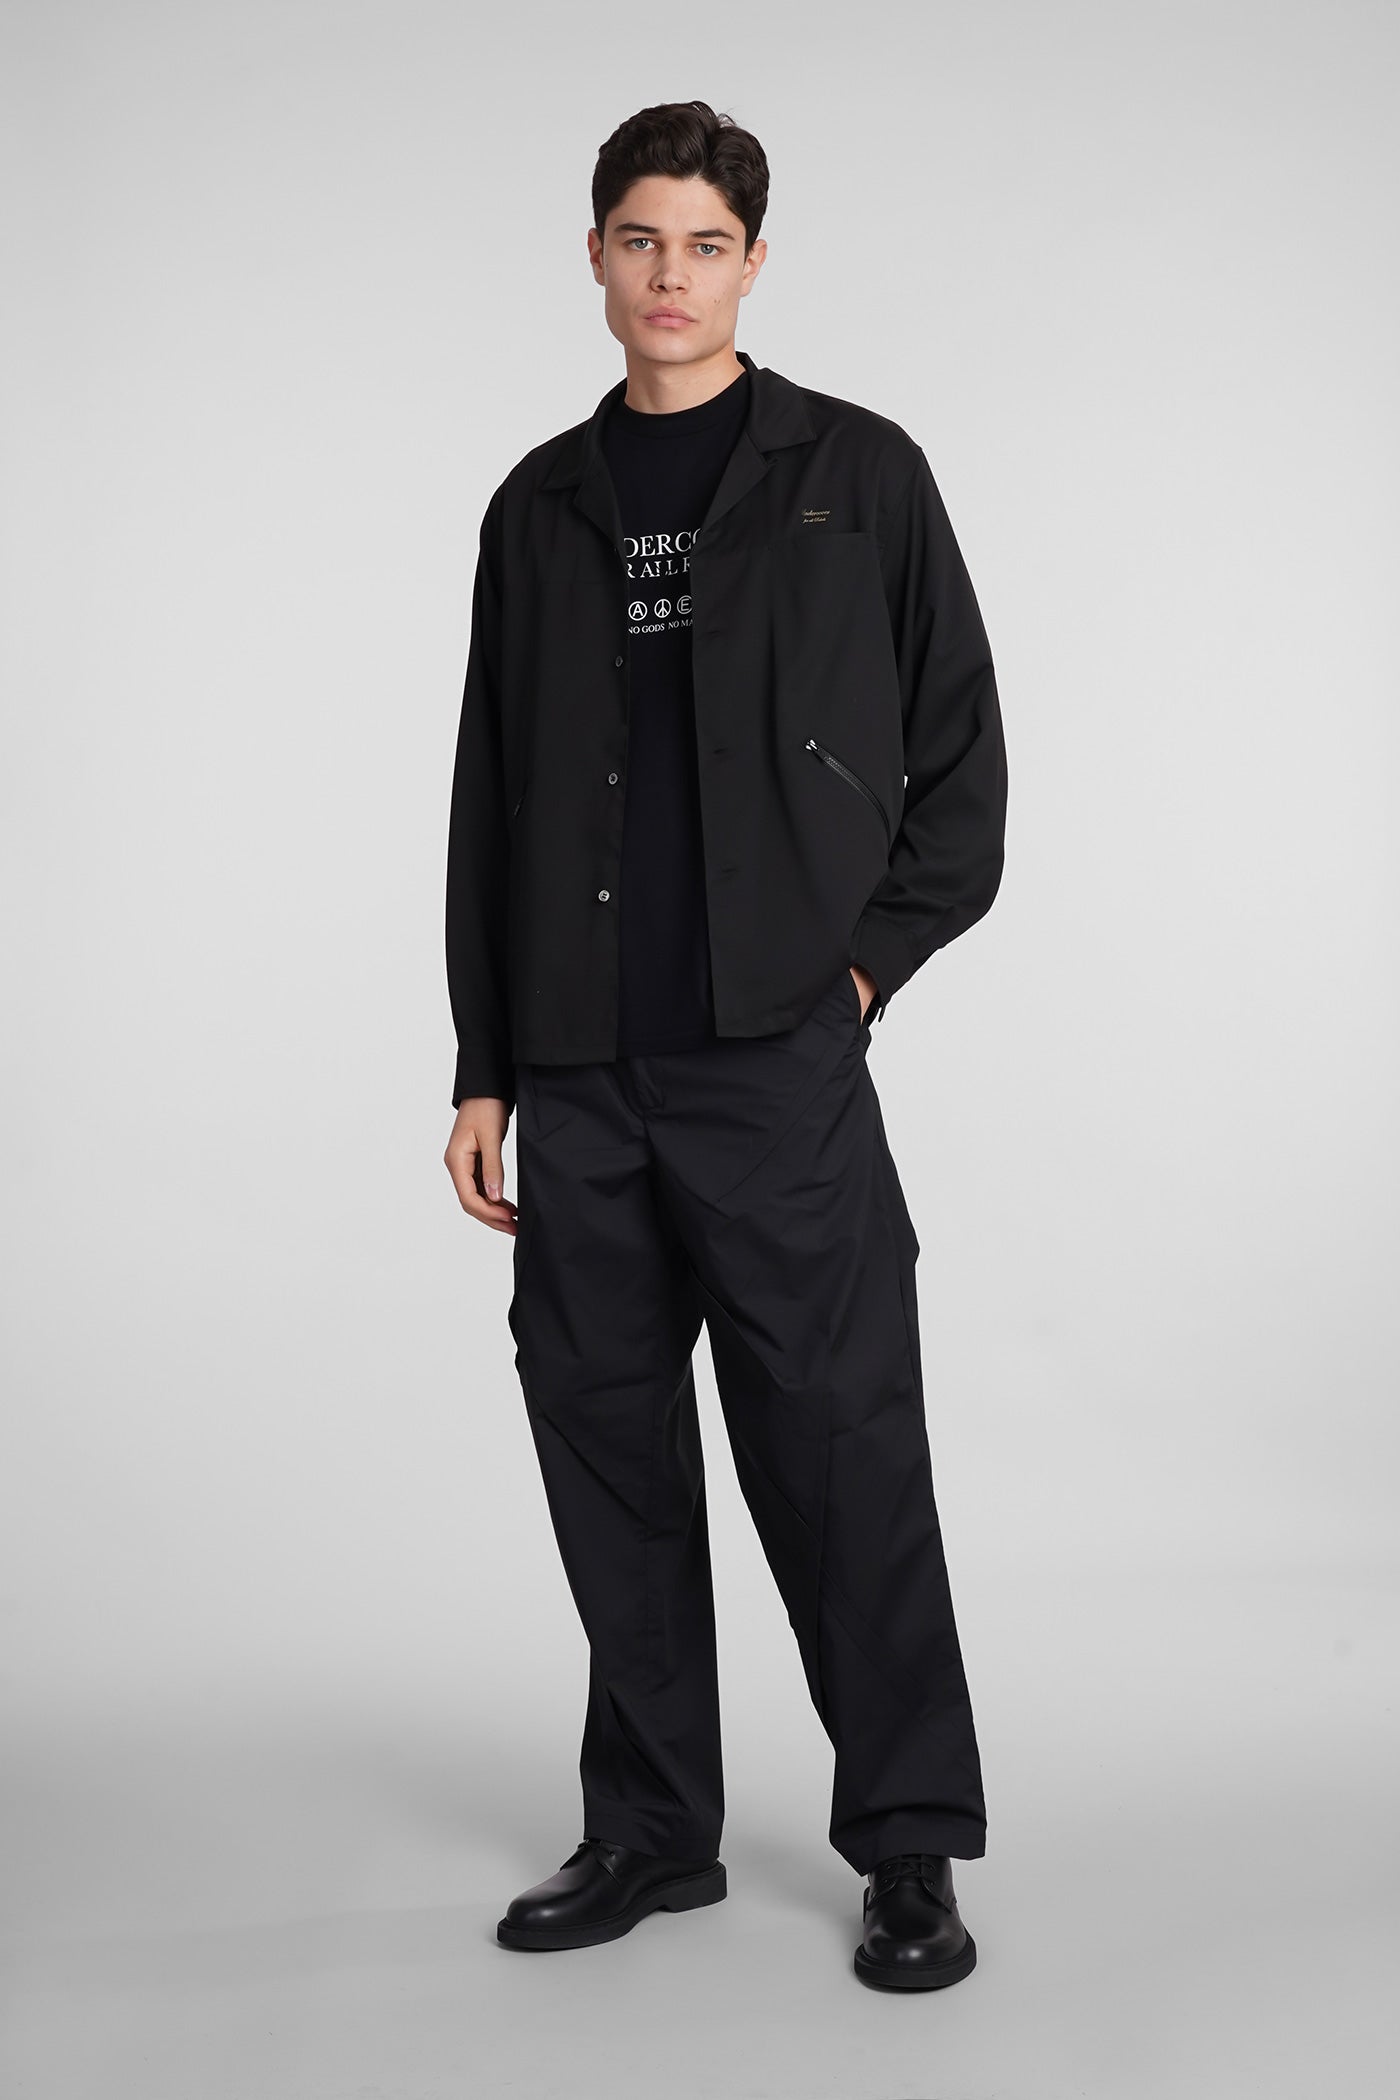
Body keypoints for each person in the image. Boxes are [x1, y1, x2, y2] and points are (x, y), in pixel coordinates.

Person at [443, 98, 1008, 1991]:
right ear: (595, 258)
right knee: (607, 1448)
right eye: (639, 240)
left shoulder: (858, 475)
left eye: (704, 244)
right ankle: (649, 1830)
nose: (669, 276)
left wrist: (856, 979)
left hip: (776, 1064)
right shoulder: (537, 507)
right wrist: (486, 1064)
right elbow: (492, 799)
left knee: (842, 1454)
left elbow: (963, 770)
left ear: (754, 263)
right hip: (581, 1071)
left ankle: (911, 1846)